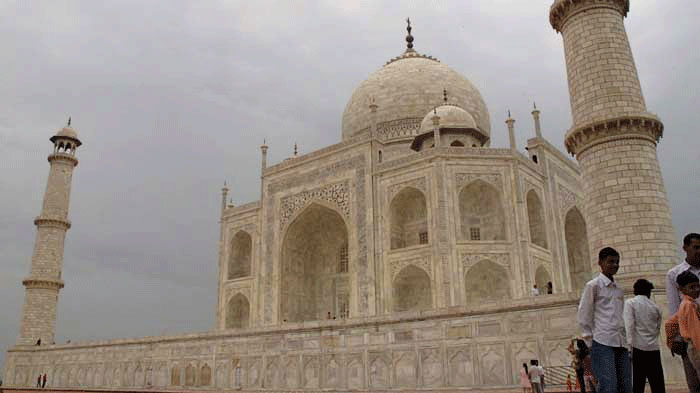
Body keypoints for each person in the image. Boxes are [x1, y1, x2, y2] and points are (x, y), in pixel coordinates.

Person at [577, 247, 631, 393]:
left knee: (626, 385)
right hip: (602, 341)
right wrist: (588, 340)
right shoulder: (593, 285)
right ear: (600, 263)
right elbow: (584, 313)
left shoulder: (618, 287)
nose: (615, 265)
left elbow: (620, 315)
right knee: (608, 385)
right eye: (611, 262)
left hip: (620, 341)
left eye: (617, 262)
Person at [666, 232, 700, 392]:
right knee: (694, 383)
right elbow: (673, 311)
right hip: (690, 341)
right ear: (685, 248)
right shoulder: (674, 274)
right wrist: (675, 340)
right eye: (696, 247)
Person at [623, 278, 665, 393]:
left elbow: (629, 326)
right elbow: (657, 329)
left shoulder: (630, 303)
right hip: (654, 348)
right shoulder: (656, 307)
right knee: (658, 384)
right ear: (648, 292)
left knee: (638, 384)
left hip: (638, 348)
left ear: (635, 291)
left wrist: (629, 347)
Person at [667, 271, 700, 376]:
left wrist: (670, 340)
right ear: (681, 289)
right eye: (692, 287)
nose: (697, 289)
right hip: (696, 345)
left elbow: (670, 322)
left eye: (698, 286)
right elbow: (695, 331)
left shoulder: (687, 304)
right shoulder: (688, 305)